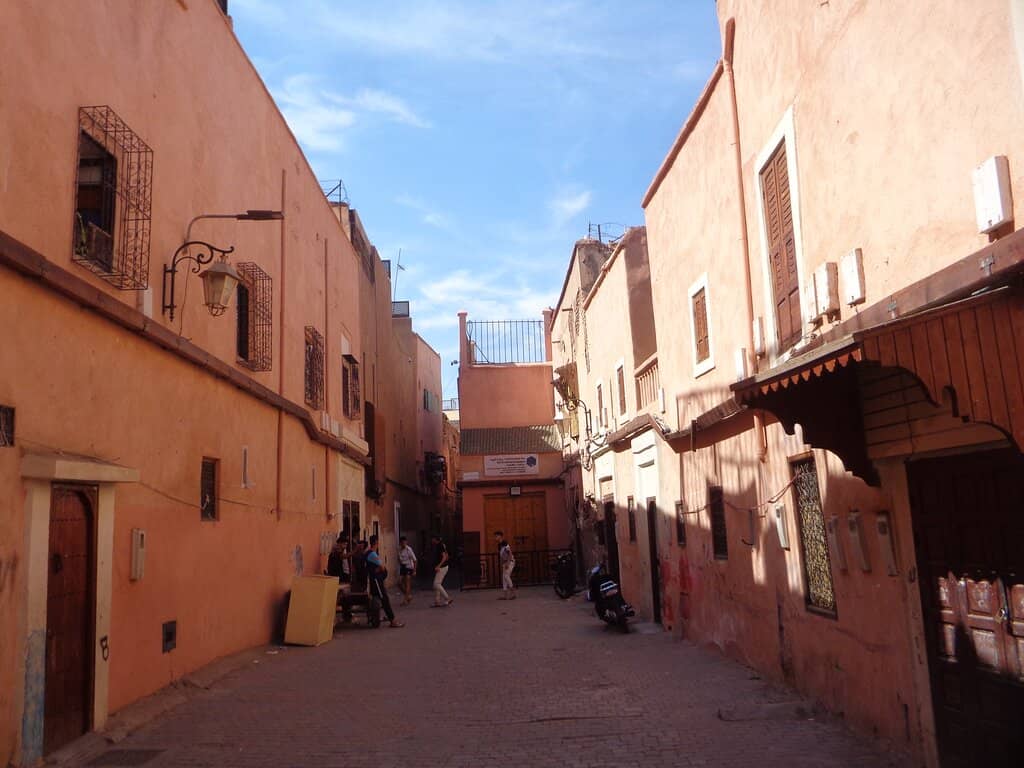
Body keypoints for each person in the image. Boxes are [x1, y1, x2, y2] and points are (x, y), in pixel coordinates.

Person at [366, 535, 403, 628]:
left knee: (376, 599)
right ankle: (392, 620)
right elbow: (382, 567)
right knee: (384, 599)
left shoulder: (369, 553)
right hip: (376, 581)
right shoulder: (372, 554)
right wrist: (381, 569)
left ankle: (375, 618)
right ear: (376, 542)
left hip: (374, 580)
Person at [431, 534, 454, 607]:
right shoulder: (441, 545)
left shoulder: (440, 546)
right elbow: (446, 556)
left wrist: (438, 566)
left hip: (442, 567)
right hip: (443, 567)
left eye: (432, 539)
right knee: (438, 584)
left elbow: (444, 557)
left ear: (435, 539)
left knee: (436, 584)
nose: (431, 540)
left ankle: (448, 598)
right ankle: (437, 602)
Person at [495, 531, 516, 600]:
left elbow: (509, 553)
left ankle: (513, 593)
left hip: (510, 561)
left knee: (506, 576)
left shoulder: (505, 543)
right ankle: (505, 595)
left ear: (500, 536)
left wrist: (507, 563)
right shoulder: (499, 545)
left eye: (496, 536)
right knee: (504, 578)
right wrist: (503, 564)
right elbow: (502, 556)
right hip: (505, 562)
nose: (495, 538)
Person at [397, 536, 417, 605]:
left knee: (407, 583)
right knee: (399, 582)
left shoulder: (409, 549)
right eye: (402, 543)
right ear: (400, 543)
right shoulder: (399, 549)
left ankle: (405, 600)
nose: (403, 544)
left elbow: (415, 560)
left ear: (406, 542)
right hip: (403, 567)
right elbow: (399, 558)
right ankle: (408, 595)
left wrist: (414, 570)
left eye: (404, 542)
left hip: (409, 567)